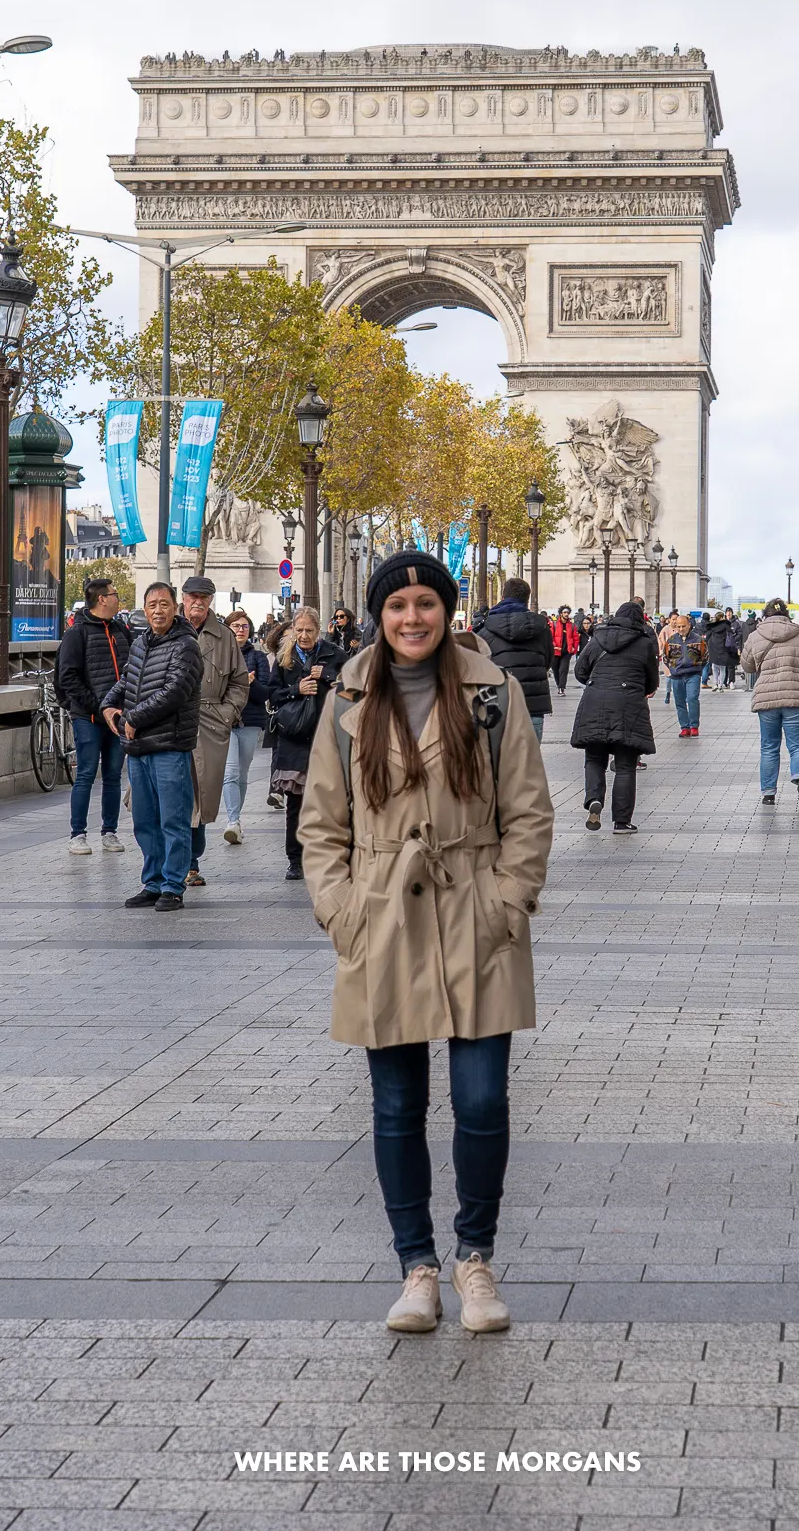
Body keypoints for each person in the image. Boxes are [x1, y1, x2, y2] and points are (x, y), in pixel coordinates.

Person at [299, 549, 553, 1335]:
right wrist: (342, 912)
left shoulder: (493, 691)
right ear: (379, 615)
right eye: (398, 605)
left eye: (426, 604)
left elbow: (530, 812)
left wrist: (508, 901)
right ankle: (418, 1267)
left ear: (449, 611)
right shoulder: (347, 694)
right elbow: (320, 823)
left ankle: (475, 1259)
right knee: (397, 1105)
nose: (412, 618)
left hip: (474, 906)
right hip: (382, 916)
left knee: (481, 1101)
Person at [102, 581, 203, 912]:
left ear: (175, 607)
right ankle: (154, 881)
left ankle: (173, 885)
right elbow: (127, 679)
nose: (157, 610)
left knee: (173, 819)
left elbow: (175, 691)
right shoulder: (141, 643)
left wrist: (133, 718)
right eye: (151, 605)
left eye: (164, 604)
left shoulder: (186, 645)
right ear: (144, 610)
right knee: (144, 820)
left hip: (169, 745)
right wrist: (108, 704)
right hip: (139, 746)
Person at [55, 577, 132, 855]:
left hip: (118, 717)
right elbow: (68, 677)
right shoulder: (77, 633)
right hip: (87, 717)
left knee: (113, 775)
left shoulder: (121, 630)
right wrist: (99, 706)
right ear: (102, 599)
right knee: (86, 774)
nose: (117, 598)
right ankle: (78, 834)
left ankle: (109, 831)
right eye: (115, 594)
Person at [181, 577, 249, 886]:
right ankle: (169, 863)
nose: (197, 602)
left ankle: (192, 861)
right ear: (183, 598)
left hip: (209, 724)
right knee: (169, 793)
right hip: (168, 724)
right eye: (192, 596)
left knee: (201, 794)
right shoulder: (166, 630)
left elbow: (239, 682)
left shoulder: (225, 637)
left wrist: (226, 714)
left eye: (204, 597)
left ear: (211, 601)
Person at [269, 605, 345, 880]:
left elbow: (349, 685)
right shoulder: (284, 658)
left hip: (326, 737)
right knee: (296, 803)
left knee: (328, 801)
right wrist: (296, 689)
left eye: (309, 630)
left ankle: (325, 855)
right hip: (293, 738)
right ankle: (295, 859)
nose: (303, 635)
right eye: (299, 630)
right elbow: (273, 694)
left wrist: (324, 676)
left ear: (318, 630)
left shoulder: (334, 654)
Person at [570, 599, 659, 832]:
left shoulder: (597, 638)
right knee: (626, 766)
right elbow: (652, 681)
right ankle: (621, 821)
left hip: (595, 703)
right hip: (629, 706)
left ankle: (594, 799)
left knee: (594, 759)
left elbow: (580, 671)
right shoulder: (645, 643)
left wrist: (597, 682)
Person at [740, 597, 799, 807]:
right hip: (797, 696)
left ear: (765, 615)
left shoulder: (756, 635)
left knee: (769, 747)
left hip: (767, 698)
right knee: (798, 745)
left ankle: (768, 793)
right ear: (786, 615)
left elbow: (746, 666)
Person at [475, 577, 554, 742]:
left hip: (497, 705)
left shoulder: (485, 630)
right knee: (530, 764)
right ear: (527, 599)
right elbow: (547, 661)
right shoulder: (542, 628)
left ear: (503, 598)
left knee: (498, 764)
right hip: (533, 706)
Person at [222, 610, 273, 842]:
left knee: (242, 774)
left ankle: (237, 818)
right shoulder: (219, 654)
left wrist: (249, 684)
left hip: (250, 721)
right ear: (227, 629)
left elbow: (265, 694)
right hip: (224, 721)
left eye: (244, 626)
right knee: (230, 772)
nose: (240, 629)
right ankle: (232, 821)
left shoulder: (258, 658)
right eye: (235, 626)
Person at [662, 613, 708, 736]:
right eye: (679, 626)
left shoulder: (698, 639)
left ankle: (694, 725)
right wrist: (672, 669)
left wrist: (697, 667)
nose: (681, 629)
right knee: (679, 701)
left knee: (692, 699)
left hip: (693, 674)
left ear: (689, 625)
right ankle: (684, 727)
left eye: (683, 626)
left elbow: (705, 656)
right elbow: (665, 657)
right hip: (676, 675)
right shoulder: (671, 640)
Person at [550, 604, 579, 696]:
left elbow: (576, 638)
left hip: (567, 652)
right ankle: (559, 685)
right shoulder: (554, 624)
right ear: (561, 613)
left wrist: (574, 648)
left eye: (568, 612)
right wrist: (554, 646)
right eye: (564, 612)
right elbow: (551, 637)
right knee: (555, 669)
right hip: (556, 651)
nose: (566, 614)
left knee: (563, 670)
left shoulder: (572, 625)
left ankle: (561, 688)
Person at [705, 612, 733, 691]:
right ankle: (720, 685)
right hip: (723, 648)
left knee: (714, 667)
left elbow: (707, 637)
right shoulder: (726, 625)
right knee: (722, 668)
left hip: (713, 648)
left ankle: (715, 684)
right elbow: (730, 635)